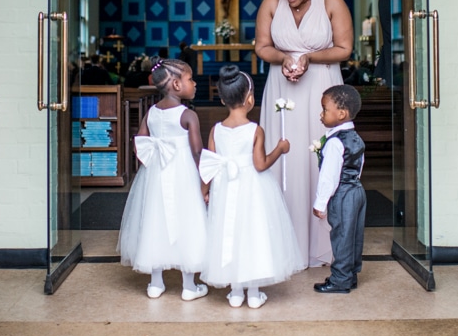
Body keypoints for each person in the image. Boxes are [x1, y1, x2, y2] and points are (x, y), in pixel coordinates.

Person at [255, 0, 353, 267]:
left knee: (319, 160)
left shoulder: (332, 2)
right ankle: (282, 243)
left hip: (322, 85)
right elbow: (262, 46)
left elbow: (344, 48)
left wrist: (309, 59)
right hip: (282, 88)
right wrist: (284, 58)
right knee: (284, 159)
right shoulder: (271, 4)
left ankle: (322, 246)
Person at [199, 65, 305, 309]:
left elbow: (210, 165)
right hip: (253, 190)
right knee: (253, 234)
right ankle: (254, 294)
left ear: (222, 98)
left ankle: (236, 293)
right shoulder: (255, 130)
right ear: (250, 99)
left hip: (226, 188)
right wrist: (280, 149)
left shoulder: (216, 130)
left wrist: (205, 192)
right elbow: (260, 165)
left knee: (229, 232)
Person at [117, 58, 209, 301]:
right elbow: (197, 151)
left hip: (156, 176)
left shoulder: (151, 112)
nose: (195, 83)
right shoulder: (188, 115)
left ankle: (155, 284)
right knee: (187, 220)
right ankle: (189, 287)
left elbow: (140, 143)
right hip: (184, 177)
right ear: (177, 85)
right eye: (191, 79)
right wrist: (206, 179)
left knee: (154, 220)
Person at [312, 85, 366, 294]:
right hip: (357, 191)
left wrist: (320, 203)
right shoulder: (355, 137)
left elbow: (329, 177)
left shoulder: (335, 142)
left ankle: (340, 280)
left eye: (325, 109)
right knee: (354, 235)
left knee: (341, 235)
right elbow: (359, 166)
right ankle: (350, 274)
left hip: (342, 193)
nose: (321, 114)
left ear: (341, 114)